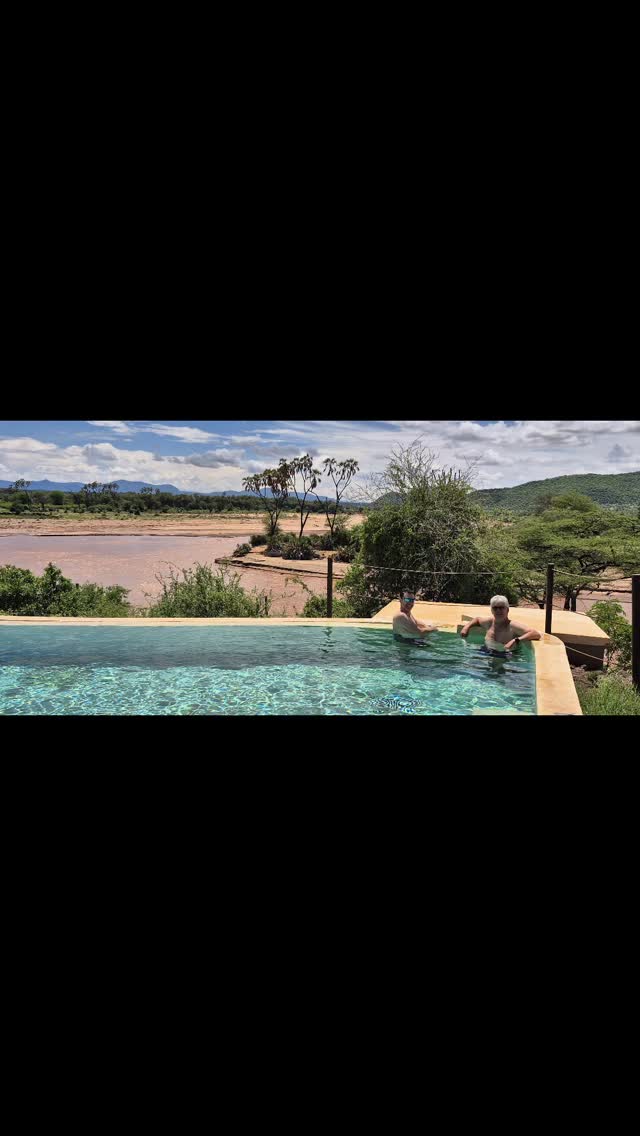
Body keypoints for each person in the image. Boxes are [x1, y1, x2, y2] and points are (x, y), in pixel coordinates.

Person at [459, 595, 541, 654]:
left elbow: (535, 634)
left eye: (501, 608)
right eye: (495, 608)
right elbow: (477, 619)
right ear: (491, 610)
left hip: (505, 655)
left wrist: (516, 640)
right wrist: (466, 627)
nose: (498, 611)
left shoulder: (512, 626)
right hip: (486, 651)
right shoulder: (489, 622)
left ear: (507, 610)